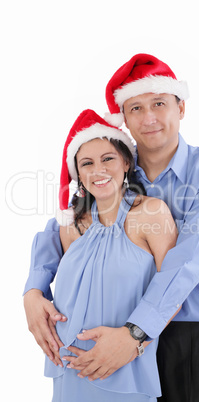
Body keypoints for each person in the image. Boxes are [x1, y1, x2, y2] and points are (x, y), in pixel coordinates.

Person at [24, 54, 199, 402]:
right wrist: (33, 292)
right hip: (123, 329)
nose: (149, 117)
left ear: (181, 108)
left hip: (189, 333)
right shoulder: (113, 165)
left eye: (159, 103)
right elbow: (64, 225)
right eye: (136, 108)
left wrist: (136, 334)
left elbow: (187, 262)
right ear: (124, 118)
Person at [38, 108, 178, 401]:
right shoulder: (69, 226)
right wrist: (32, 295)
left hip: (123, 369)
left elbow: (174, 290)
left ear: (126, 162)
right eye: (86, 163)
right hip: (69, 370)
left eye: (108, 158)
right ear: (78, 173)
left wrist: (135, 342)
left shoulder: (151, 213)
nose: (97, 170)